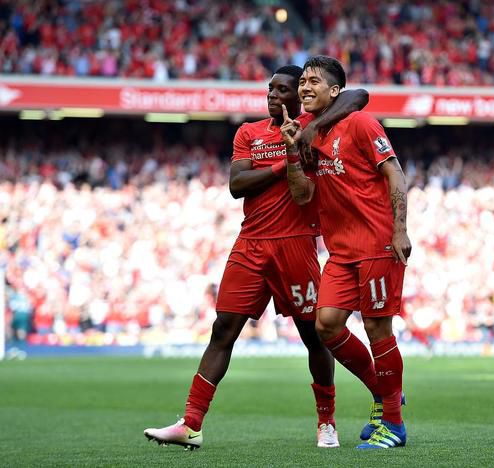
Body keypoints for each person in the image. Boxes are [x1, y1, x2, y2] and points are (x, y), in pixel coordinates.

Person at [143, 65, 369, 450]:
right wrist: (286, 158)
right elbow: (236, 185)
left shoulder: (314, 129)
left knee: (315, 338)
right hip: (250, 244)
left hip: (296, 245)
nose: (272, 96)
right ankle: (192, 423)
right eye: (270, 89)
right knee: (222, 332)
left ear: (299, 97)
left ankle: (327, 422)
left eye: (283, 90)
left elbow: (358, 96)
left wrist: (308, 130)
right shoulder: (249, 132)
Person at [281, 55, 411, 449]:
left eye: (314, 81)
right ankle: (385, 393)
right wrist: (291, 152)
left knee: (377, 329)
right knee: (327, 325)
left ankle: (393, 424)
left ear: (334, 91)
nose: (304, 87)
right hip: (340, 251)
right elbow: (303, 196)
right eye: (302, 81)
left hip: (376, 243)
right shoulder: (306, 133)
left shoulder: (360, 123)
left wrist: (400, 228)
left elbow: (394, 171)